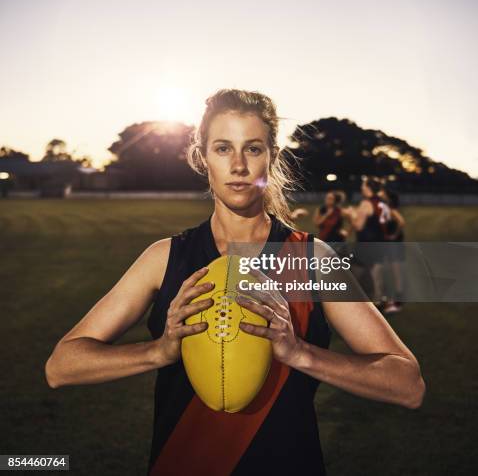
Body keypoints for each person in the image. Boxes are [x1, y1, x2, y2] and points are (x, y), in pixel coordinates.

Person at [44, 89, 425, 476]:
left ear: (272, 157)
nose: (239, 165)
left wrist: (300, 354)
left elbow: (407, 383)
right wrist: (158, 352)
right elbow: (61, 366)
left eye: (253, 149)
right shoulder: (164, 258)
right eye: (223, 148)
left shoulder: (312, 259)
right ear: (202, 156)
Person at [342, 177, 391, 307]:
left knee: (355, 271)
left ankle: (355, 300)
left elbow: (358, 225)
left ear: (368, 188)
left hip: (366, 244)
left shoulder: (366, 204)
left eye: (363, 185)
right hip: (381, 242)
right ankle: (378, 300)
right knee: (376, 273)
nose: (361, 187)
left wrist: (350, 214)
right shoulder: (383, 203)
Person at [380, 189, 406, 314]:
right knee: (390, 271)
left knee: (396, 272)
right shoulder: (386, 208)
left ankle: (397, 302)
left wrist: (394, 235)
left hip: (394, 244)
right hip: (391, 244)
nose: (381, 194)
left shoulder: (391, 208)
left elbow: (401, 222)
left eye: (383, 193)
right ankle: (392, 299)